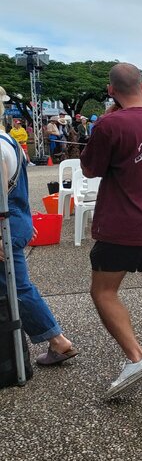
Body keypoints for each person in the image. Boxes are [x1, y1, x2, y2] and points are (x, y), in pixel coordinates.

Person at [80, 63, 142, 398]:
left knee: (104, 291)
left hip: (121, 225)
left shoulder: (109, 124)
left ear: (111, 90)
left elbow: (91, 168)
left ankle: (137, 357)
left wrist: (108, 121)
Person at [0, 87, 78, 367]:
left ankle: (58, 341)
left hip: (5, 228)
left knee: (16, 288)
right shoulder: (8, 141)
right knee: (15, 286)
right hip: (16, 221)